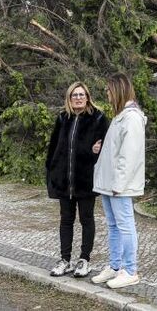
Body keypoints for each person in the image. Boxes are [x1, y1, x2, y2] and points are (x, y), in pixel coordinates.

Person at [45, 81, 109, 278]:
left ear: (87, 97)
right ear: (69, 98)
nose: (78, 98)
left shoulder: (98, 118)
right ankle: (65, 259)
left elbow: (108, 147)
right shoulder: (63, 118)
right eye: (75, 95)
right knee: (66, 220)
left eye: (81, 95)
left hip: (86, 180)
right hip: (64, 180)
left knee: (86, 219)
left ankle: (84, 260)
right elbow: (53, 147)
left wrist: (97, 152)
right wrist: (51, 172)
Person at [90, 72, 147, 289]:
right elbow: (115, 150)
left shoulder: (131, 118)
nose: (106, 94)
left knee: (125, 226)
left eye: (108, 90)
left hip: (118, 185)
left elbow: (129, 156)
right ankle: (115, 266)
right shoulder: (119, 116)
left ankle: (130, 270)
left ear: (118, 90)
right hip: (108, 183)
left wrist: (118, 185)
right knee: (113, 226)